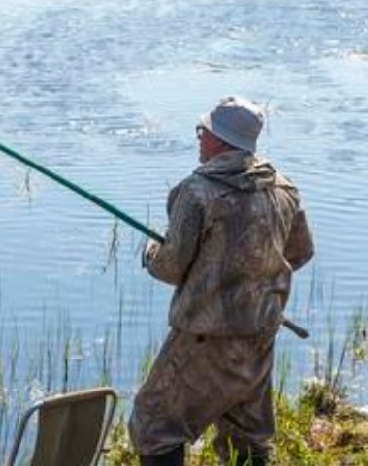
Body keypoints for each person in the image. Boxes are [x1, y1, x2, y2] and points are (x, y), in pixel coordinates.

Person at [128, 96, 314, 466]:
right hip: (259, 334)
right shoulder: (284, 189)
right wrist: (250, 282)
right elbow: (300, 252)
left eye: (204, 131)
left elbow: (171, 266)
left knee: (154, 425)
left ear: (223, 140)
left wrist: (151, 254)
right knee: (249, 436)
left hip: (204, 338)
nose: (199, 137)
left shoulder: (197, 192)